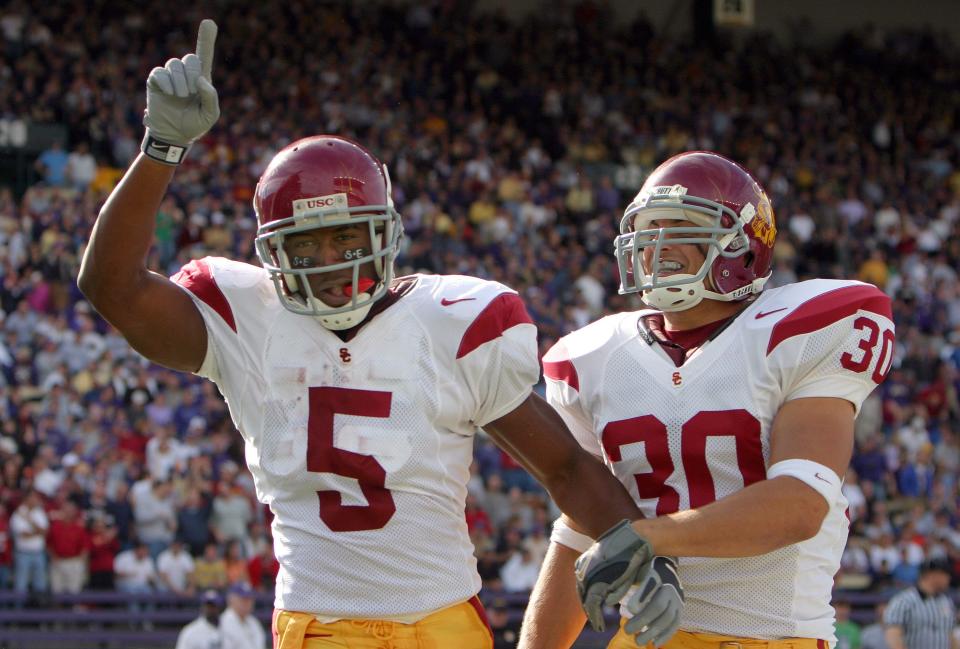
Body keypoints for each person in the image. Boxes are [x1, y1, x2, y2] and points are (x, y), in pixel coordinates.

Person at [78, 19, 658, 649]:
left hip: (443, 621)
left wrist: (650, 557)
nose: (330, 259)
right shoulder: (246, 322)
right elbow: (113, 287)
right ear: (275, 252)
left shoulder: (452, 323)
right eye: (307, 243)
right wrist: (160, 148)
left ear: (383, 234)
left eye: (346, 235)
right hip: (323, 622)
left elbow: (565, 467)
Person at [522, 151, 896, 648]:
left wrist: (652, 537)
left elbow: (800, 503)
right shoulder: (591, 357)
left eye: (681, 230)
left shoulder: (803, 329)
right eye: (648, 231)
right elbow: (580, 528)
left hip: (770, 636)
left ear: (742, 248)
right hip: (645, 639)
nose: (657, 249)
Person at [883, 557, 957, 649]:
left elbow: (951, 635)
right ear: (932, 574)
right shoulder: (904, 601)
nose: (949, 578)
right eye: (946, 574)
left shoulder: (946, 602)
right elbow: (893, 635)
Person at [219, 582, 265, 649]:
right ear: (231, 599)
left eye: (249, 599)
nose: (247, 603)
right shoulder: (223, 622)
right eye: (243, 599)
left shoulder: (254, 622)